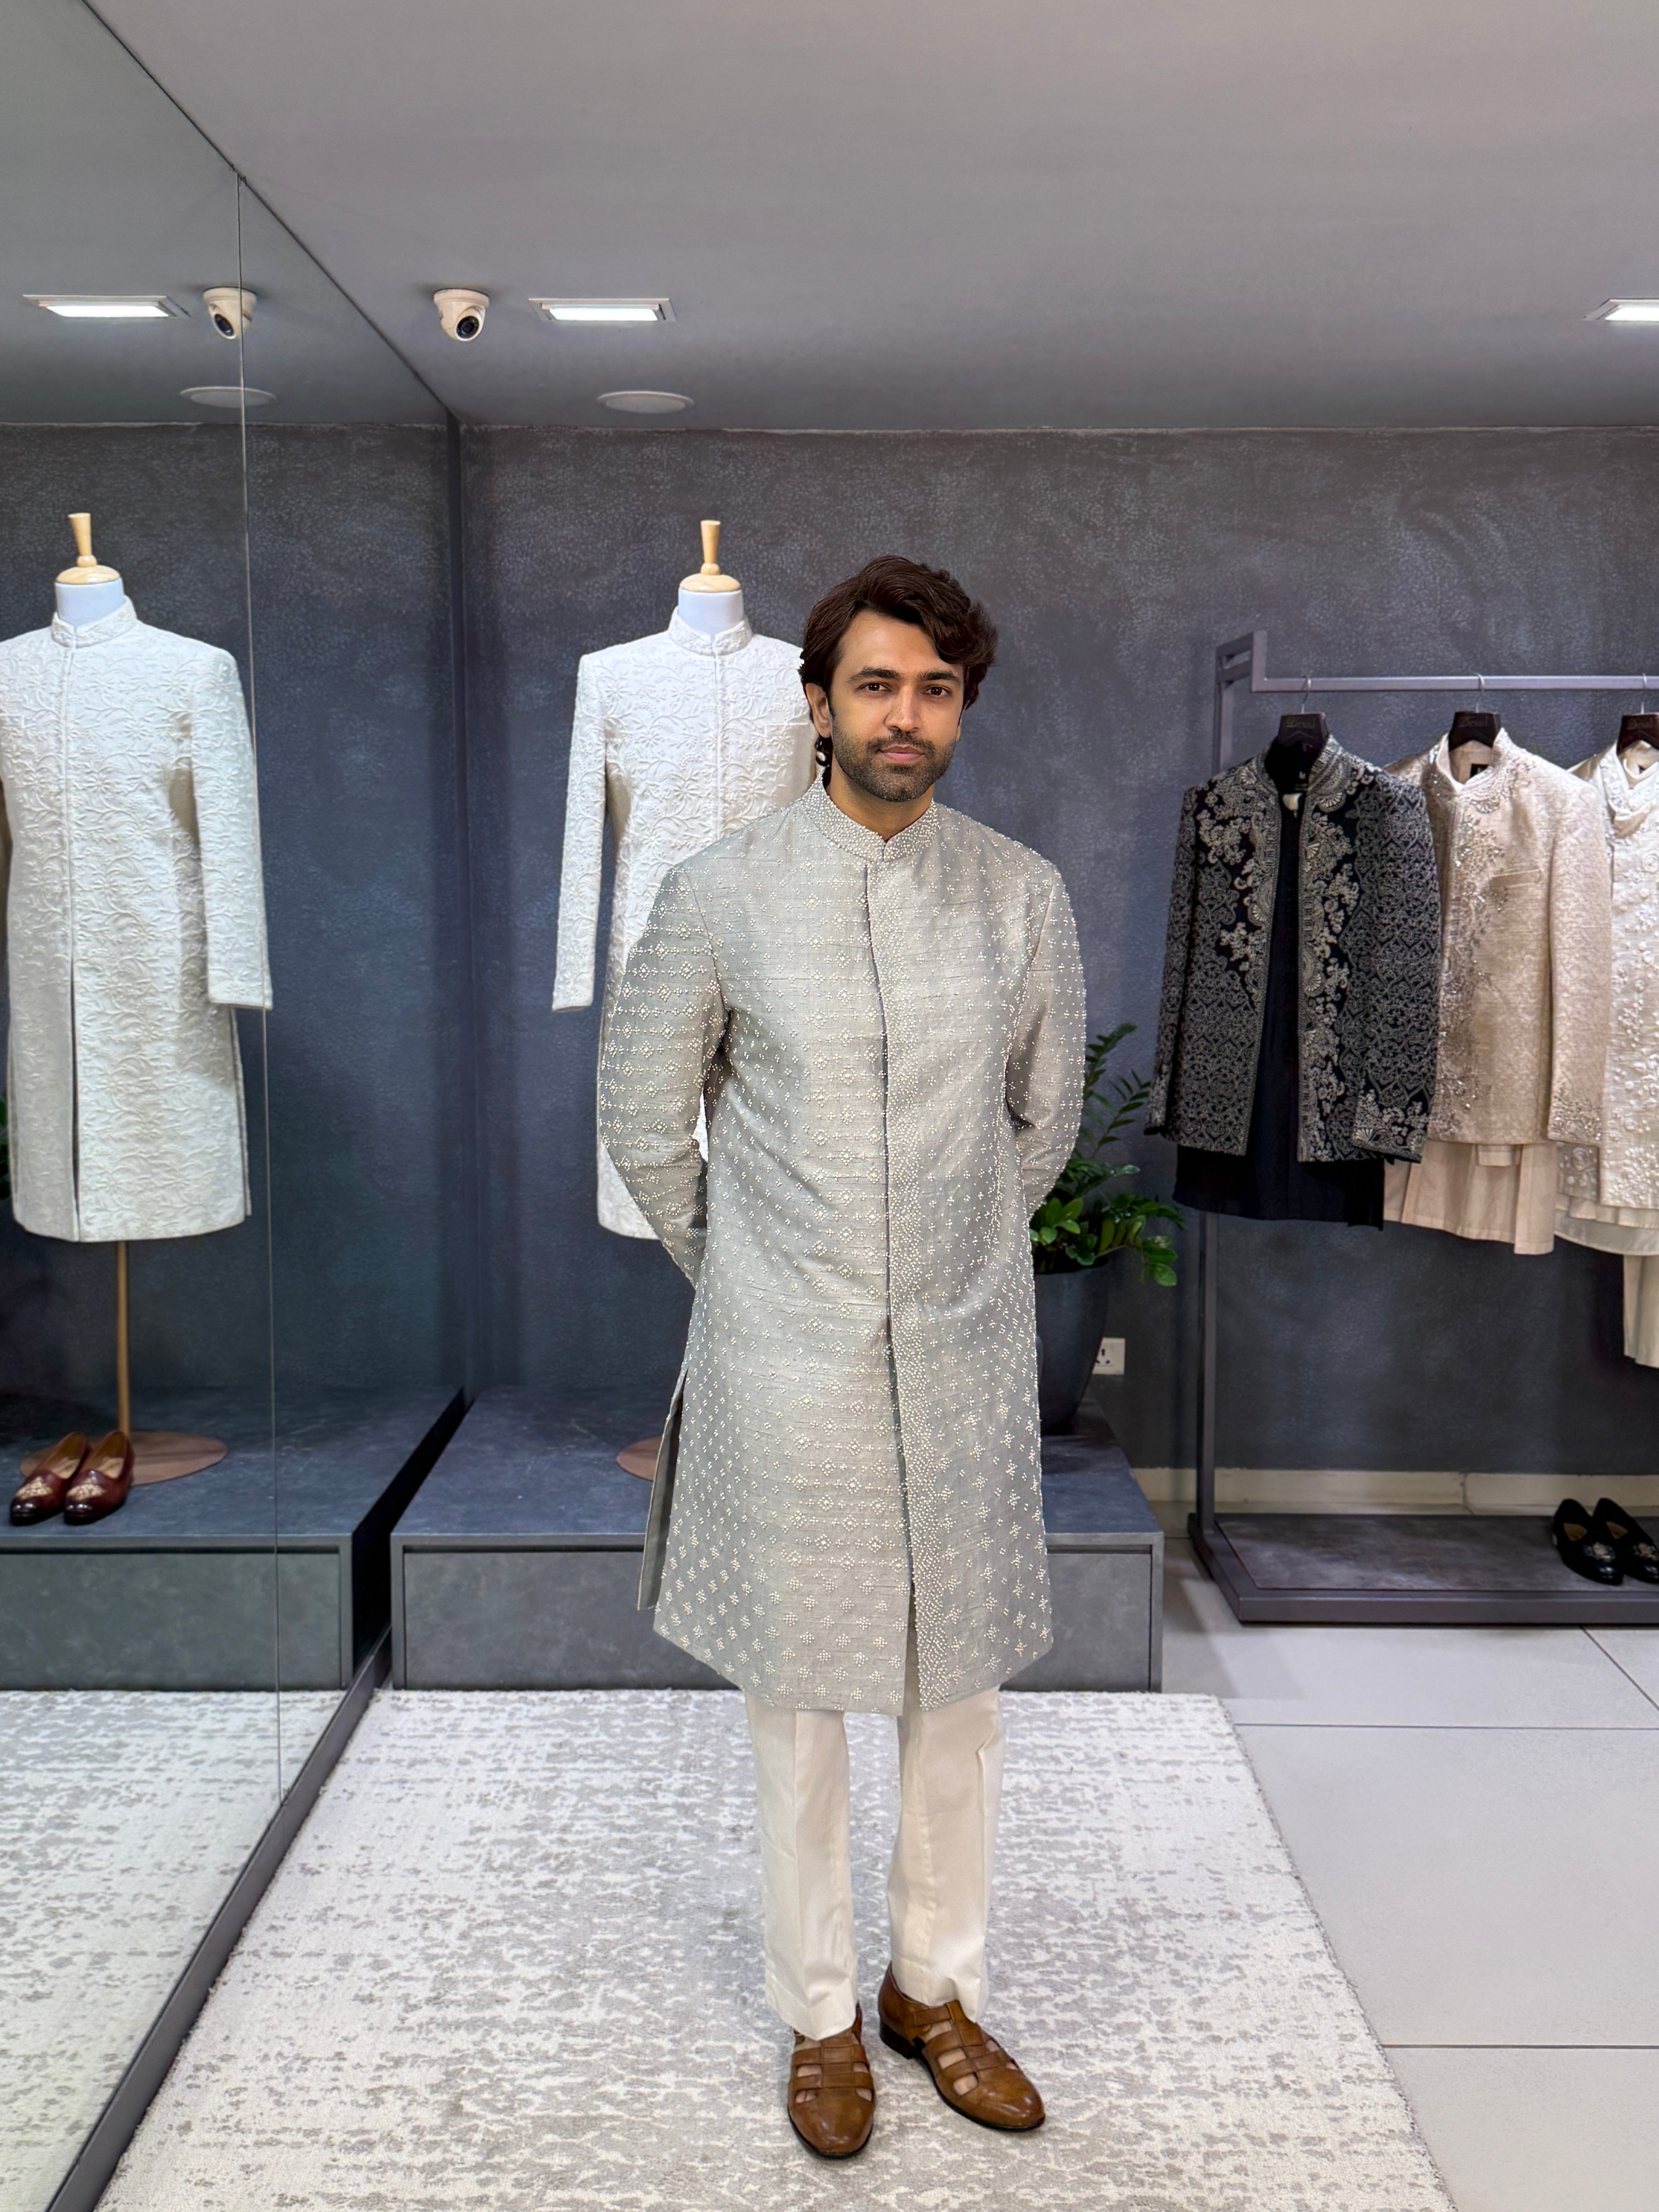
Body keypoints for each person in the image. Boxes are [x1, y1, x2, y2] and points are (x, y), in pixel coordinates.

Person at [599, 555, 1084, 2157]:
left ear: (961, 711)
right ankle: (819, 2016)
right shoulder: (721, 891)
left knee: (959, 1700)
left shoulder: (1018, 894)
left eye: (935, 690)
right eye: (876, 685)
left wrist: (951, 1255)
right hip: (785, 1360)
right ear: (818, 704)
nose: (905, 716)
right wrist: (749, 1273)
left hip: (962, 1350)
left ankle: (932, 1991)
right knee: (800, 1706)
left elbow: (1042, 1119)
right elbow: (642, 1118)